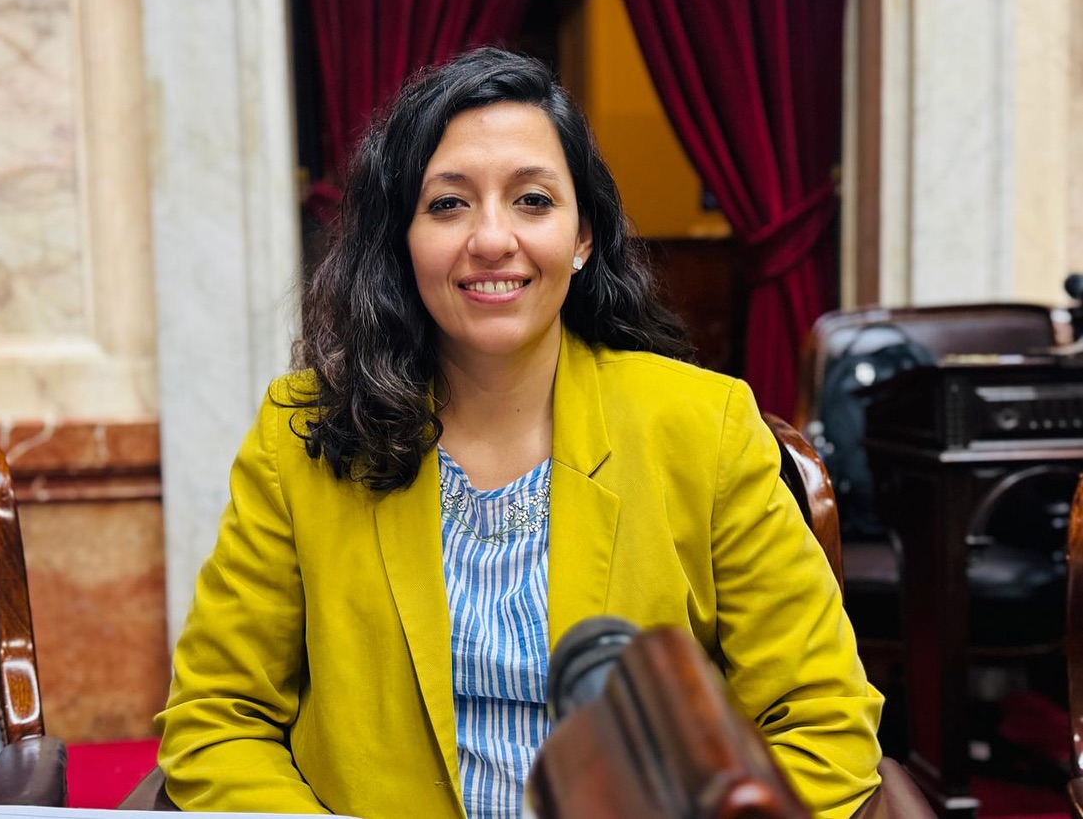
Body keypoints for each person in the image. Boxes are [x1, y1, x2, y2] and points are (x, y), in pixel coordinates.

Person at [156, 47, 884, 818]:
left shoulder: (704, 429)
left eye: (532, 200)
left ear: (583, 236)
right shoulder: (302, 433)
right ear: (401, 239)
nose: (492, 239)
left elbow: (821, 725)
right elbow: (217, 719)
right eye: (448, 204)